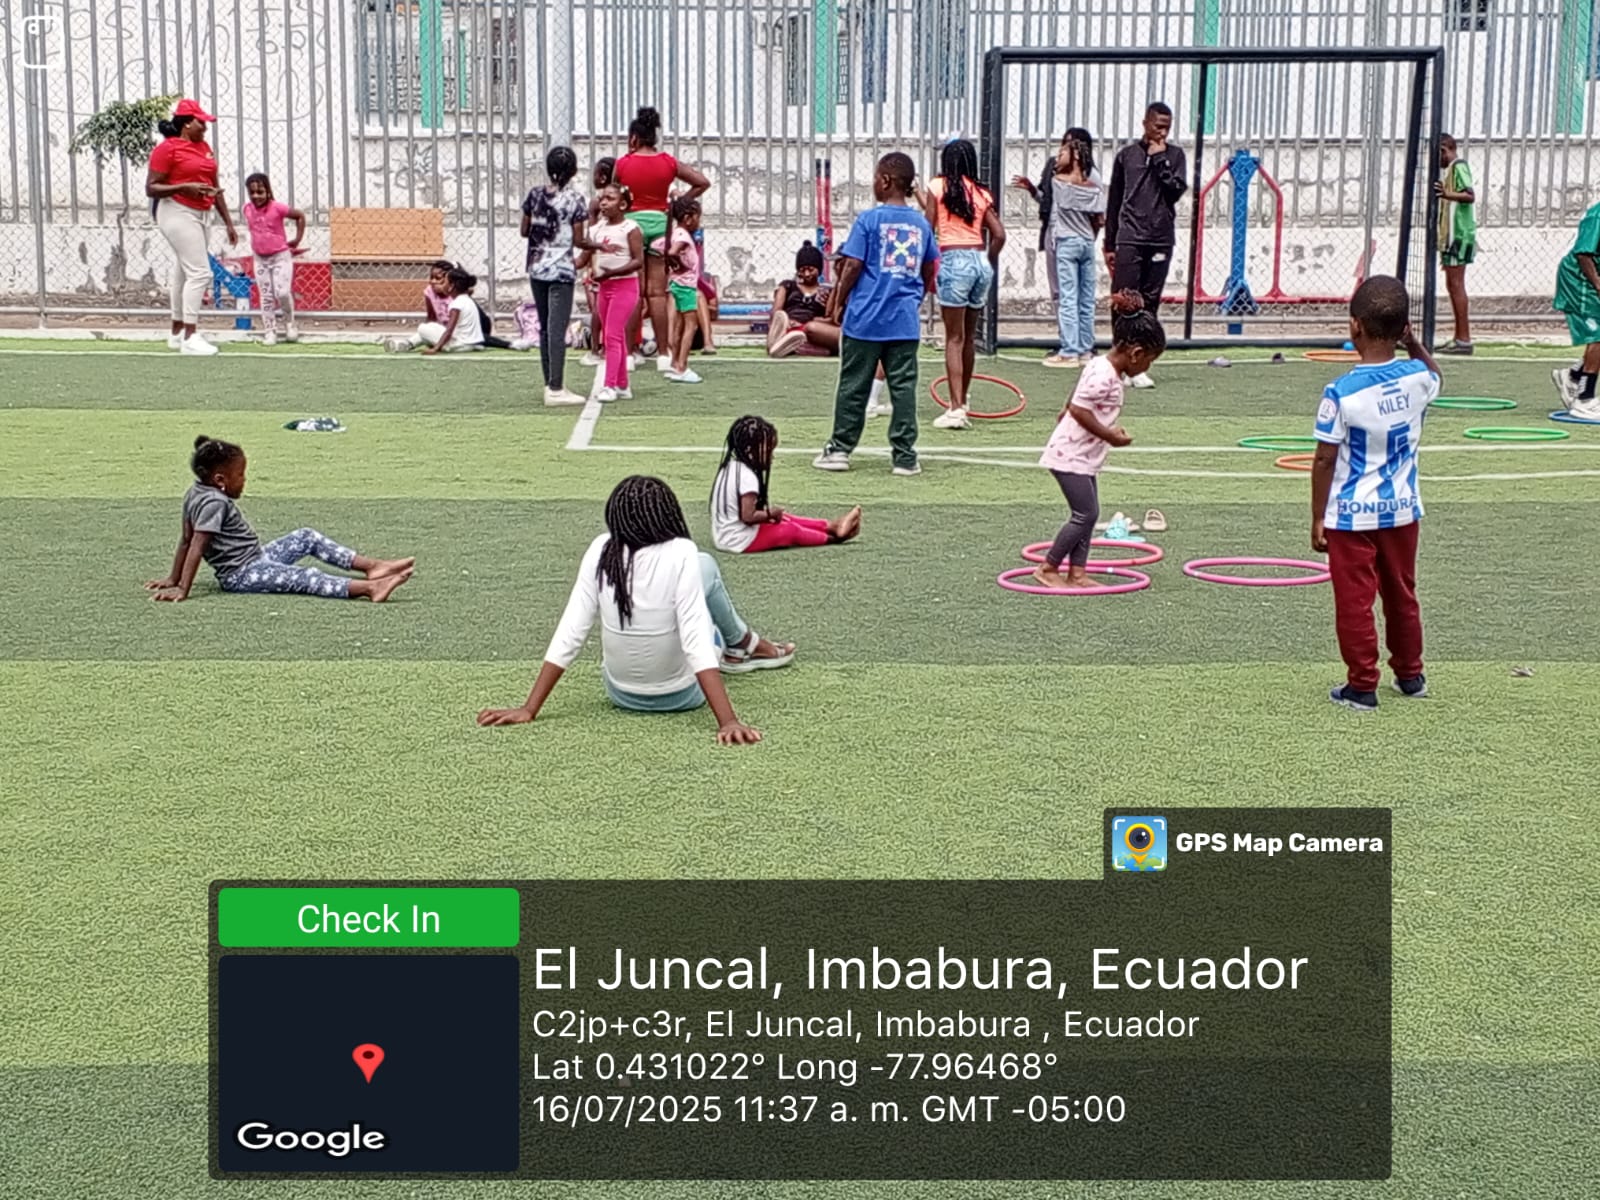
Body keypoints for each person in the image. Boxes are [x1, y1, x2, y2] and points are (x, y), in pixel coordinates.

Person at [476, 475, 794, 745]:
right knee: (706, 573)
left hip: (620, 693)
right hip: (684, 695)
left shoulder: (601, 549)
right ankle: (743, 645)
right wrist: (728, 721)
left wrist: (529, 708)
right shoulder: (682, 551)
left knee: (694, 586)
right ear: (668, 514)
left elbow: (571, 631)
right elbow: (696, 640)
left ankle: (744, 644)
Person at [1310, 276, 1441, 712]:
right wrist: (1413, 343)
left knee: (1355, 601)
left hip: (1352, 515)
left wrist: (1318, 515)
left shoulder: (1341, 392)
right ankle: (1411, 674)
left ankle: (1362, 685)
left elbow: (1324, 459)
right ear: (1403, 328)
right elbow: (1436, 375)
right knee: (1402, 593)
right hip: (1402, 509)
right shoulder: (1417, 377)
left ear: (1355, 326)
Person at [147, 436, 413, 603]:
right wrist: (182, 588)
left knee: (305, 537)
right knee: (304, 577)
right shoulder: (214, 503)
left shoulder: (194, 492)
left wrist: (173, 577)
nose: (244, 481)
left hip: (256, 558)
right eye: (240, 475)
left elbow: (184, 540)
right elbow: (195, 545)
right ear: (220, 480)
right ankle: (369, 588)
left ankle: (372, 566)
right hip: (243, 574)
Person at [812, 152, 939, 477]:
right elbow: (930, 268)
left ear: (884, 181)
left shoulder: (868, 220)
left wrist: (839, 300)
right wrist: (915, 296)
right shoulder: (921, 225)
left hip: (865, 319)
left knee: (853, 384)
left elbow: (853, 265)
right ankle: (905, 456)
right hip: (904, 321)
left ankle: (839, 449)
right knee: (904, 388)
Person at [1033, 292, 1165, 589]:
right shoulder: (1105, 375)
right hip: (1071, 456)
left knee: (1088, 514)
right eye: (1150, 361)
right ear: (1136, 353)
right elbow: (1080, 408)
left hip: (1082, 454)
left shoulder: (1101, 366)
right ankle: (1048, 567)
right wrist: (1110, 436)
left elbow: (1076, 398)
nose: (1147, 367)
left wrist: (1066, 411)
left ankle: (1077, 573)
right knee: (1085, 513)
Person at [613, 107, 711, 371]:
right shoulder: (668, 162)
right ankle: (664, 354)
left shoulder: (623, 164)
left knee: (634, 292)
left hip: (631, 228)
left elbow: (614, 192)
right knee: (657, 293)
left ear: (633, 138)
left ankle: (629, 354)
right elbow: (702, 182)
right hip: (660, 226)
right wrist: (679, 203)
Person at [923, 138, 1007, 430]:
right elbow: (999, 235)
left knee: (953, 338)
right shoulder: (981, 193)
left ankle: (956, 408)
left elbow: (928, 229)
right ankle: (963, 400)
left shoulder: (937, 186)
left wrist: (926, 267)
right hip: (979, 260)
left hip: (952, 259)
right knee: (969, 338)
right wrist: (988, 260)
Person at [145, 99, 238, 356]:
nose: (205, 128)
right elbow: (151, 187)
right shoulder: (167, 149)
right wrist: (184, 187)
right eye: (201, 123)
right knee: (200, 273)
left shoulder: (204, 148)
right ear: (186, 124)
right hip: (176, 210)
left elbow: (215, 186)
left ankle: (177, 332)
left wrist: (228, 222)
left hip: (202, 213)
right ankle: (190, 336)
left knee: (184, 272)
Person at [1104, 102, 1187, 389]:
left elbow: (1175, 191)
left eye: (1167, 127)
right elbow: (1115, 200)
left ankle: (1139, 365)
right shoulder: (1127, 155)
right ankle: (1118, 360)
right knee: (1124, 300)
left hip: (1160, 237)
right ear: (1145, 124)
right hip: (1130, 236)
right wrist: (1110, 242)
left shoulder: (1175, 155)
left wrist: (1160, 159)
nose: (1162, 132)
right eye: (1158, 126)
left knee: (1149, 303)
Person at [711, 416, 861, 553]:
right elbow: (748, 516)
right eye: (769, 451)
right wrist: (770, 514)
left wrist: (771, 515)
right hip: (739, 540)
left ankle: (832, 526)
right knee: (788, 529)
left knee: (785, 518)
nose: (772, 457)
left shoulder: (730, 467)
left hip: (724, 535)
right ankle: (833, 538)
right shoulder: (747, 477)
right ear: (750, 451)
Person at [520, 145, 591, 405]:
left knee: (545, 328)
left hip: (537, 266)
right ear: (573, 171)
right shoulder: (575, 200)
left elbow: (524, 230)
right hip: (561, 270)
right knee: (557, 329)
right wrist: (598, 245)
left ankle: (549, 382)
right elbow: (580, 239)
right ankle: (556, 387)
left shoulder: (535, 194)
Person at [1030, 131, 1103, 368]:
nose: (1058, 156)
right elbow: (1099, 218)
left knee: (1068, 297)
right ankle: (1085, 349)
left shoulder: (1058, 181)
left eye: (1063, 152)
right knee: (1086, 298)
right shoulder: (1093, 186)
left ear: (1074, 157)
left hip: (1066, 241)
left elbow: (1052, 189)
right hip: (1086, 241)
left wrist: (1059, 166)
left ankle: (1069, 350)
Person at [577, 184, 644, 402]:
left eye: (610, 199)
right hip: (604, 288)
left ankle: (609, 385)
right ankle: (623, 384)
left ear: (623, 204)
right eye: (602, 198)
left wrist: (612, 273)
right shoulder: (596, 229)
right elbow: (583, 258)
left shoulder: (630, 228)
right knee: (613, 334)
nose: (604, 202)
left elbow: (638, 261)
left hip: (625, 286)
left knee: (612, 335)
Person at [242, 173, 305, 347]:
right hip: (260, 258)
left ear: (268, 191)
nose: (256, 196)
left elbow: (300, 216)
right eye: (252, 193)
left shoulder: (277, 208)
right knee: (266, 296)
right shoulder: (247, 209)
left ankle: (290, 322)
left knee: (282, 292)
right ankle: (269, 330)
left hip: (280, 257)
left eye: (260, 192)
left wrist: (297, 239)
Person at [1551, 197, 1600, 420]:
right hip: (1580, 279)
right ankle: (1584, 399)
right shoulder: (1597, 215)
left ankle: (1573, 376)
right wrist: (1598, 285)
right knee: (1598, 336)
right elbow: (1583, 254)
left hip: (1592, 278)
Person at [1435, 134, 1477, 355]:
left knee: (1456, 284)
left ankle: (1463, 339)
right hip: (1451, 237)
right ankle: (1459, 337)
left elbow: (1469, 195)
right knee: (1453, 285)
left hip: (1458, 236)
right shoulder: (1450, 170)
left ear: (1444, 150)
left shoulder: (1459, 166)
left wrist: (1446, 194)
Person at [767, 242, 839, 357]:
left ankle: (786, 345)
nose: (806, 274)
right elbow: (777, 312)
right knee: (781, 322)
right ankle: (783, 342)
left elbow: (830, 319)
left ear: (819, 269)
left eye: (811, 269)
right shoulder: (787, 286)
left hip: (809, 330)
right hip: (787, 326)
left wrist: (810, 322)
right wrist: (786, 322)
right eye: (802, 270)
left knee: (808, 332)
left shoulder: (826, 292)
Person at [663, 196, 704, 383]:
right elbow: (672, 252)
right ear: (688, 218)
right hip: (686, 285)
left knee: (680, 324)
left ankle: (674, 362)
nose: (698, 222)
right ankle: (682, 366)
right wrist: (680, 265)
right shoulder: (683, 236)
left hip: (678, 284)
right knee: (691, 325)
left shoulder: (676, 232)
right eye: (697, 218)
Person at [581, 157, 617, 367]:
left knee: (598, 306)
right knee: (609, 306)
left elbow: (591, 233)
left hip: (599, 257)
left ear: (602, 178)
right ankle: (606, 347)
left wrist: (588, 261)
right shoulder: (619, 199)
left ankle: (596, 348)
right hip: (613, 255)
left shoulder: (596, 202)